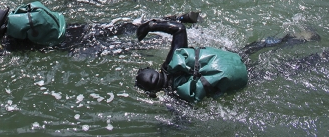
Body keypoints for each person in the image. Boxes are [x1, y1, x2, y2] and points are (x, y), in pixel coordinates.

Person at [0, 9, 200, 70]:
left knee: (119, 46)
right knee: (119, 28)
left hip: (73, 44)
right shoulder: (19, 15)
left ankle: (161, 40)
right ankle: (178, 18)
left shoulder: (13, 42)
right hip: (74, 29)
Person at [135, 19, 320, 103]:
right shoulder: (170, 64)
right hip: (227, 58)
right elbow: (179, 29)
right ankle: (298, 38)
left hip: (230, 76)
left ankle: (316, 59)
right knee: (256, 46)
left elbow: (182, 122)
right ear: (154, 70)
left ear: (152, 92)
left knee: (279, 69)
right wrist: (151, 25)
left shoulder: (175, 98)